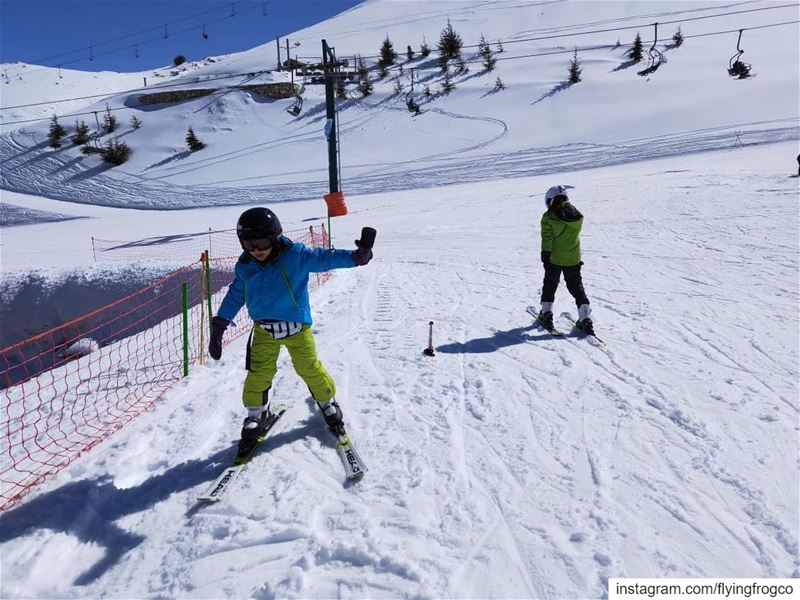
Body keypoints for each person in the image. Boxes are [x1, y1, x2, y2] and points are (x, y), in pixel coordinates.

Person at [208, 207, 373, 457]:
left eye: (261, 242)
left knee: (309, 367)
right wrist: (220, 323)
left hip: (297, 329)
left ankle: (327, 402)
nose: (256, 250)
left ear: (274, 237)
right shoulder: (245, 266)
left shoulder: (296, 255)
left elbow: (324, 258)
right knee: (258, 373)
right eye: (249, 244)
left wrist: (355, 257)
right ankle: (256, 414)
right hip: (264, 330)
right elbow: (235, 295)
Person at [536, 185, 594, 335]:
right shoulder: (576, 215)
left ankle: (546, 313)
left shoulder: (548, 217)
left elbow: (547, 238)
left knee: (550, 284)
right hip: (573, 258)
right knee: (576, 286)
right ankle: (585, 318)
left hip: (554, 258)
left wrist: (545, 254)